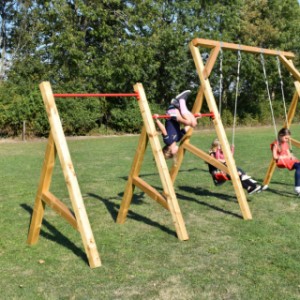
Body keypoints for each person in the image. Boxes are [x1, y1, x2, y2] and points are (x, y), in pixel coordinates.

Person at [154, 90, 199, 160]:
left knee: (187, 122)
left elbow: (163, 129)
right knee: (193, 123)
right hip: (177, 114)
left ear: (169, 150)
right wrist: (195, 118)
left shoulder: (168, 141)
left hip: (171, 114)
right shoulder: (178, 139)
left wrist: (157, 120)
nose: (177, 151)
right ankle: (179, 102)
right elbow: (186, 129)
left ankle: (180, 100)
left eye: (174, 152)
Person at [271, 127, 300, 195]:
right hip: (281, 161)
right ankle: (297, 188)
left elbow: (289, 154)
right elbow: (275, 156)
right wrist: (282, 156)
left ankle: (298, 186)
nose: (287, 140)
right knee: (299, 167)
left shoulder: (285, 143)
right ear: (281, 135)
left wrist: (292, 157)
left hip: (288, 160)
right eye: (286, 138)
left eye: (288, 138)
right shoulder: (276, 144)